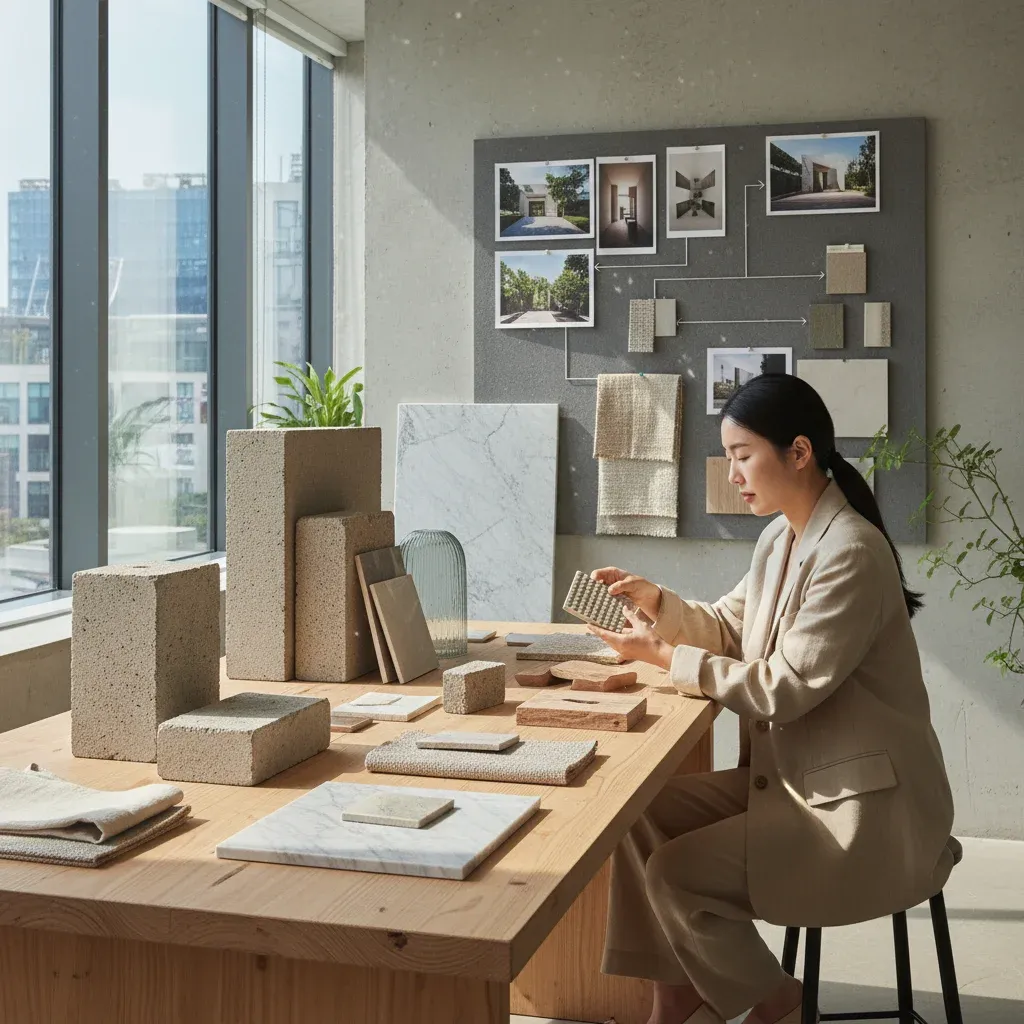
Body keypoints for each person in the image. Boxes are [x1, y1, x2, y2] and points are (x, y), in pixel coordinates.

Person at [587, 373, 954, 1024]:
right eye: (728, 456)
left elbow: (784, 689)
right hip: (797, 785)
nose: (731, 473)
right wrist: (660, 606)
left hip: (859, 813)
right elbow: (730, 628)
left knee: (675, 875)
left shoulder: (850, 554)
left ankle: (774, 998)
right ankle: (674, 996)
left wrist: (670, 660)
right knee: (635, 809)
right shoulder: (781, 539)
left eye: (741, 454)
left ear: (800, 452)